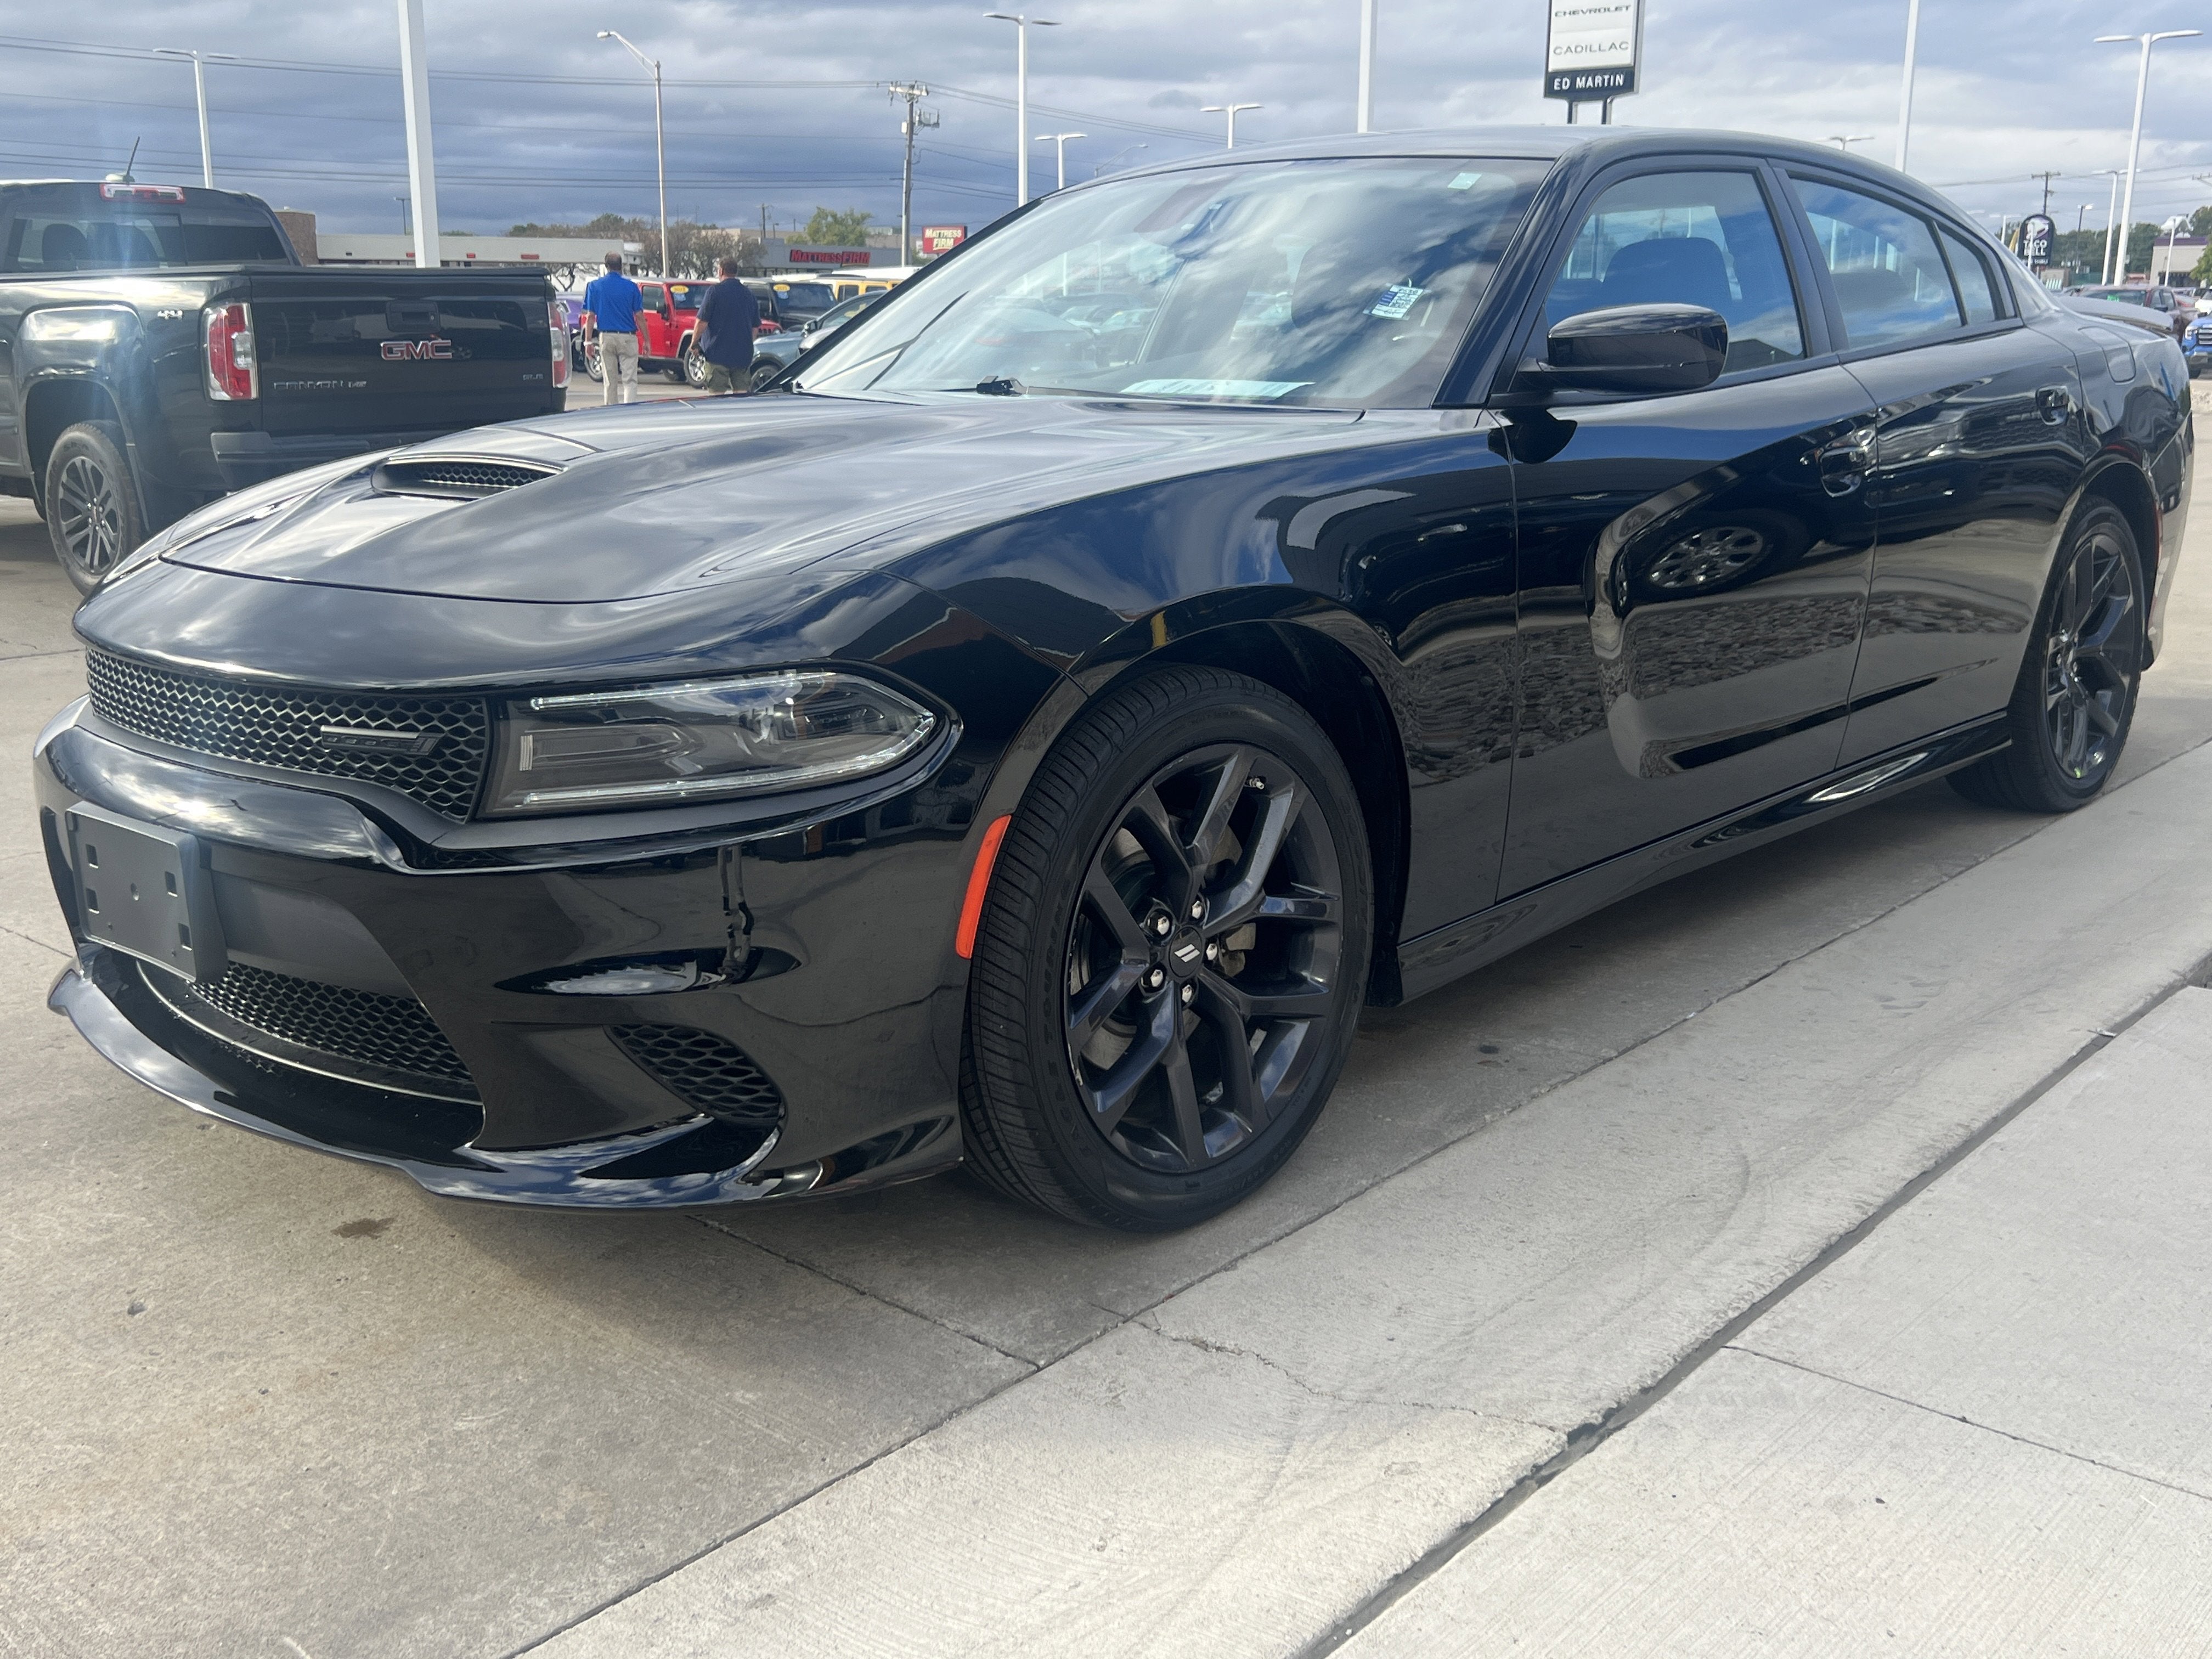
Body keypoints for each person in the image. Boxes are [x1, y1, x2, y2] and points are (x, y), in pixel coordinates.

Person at [690, 255, 760, 394]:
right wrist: (747, 344)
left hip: (717, 355)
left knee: (717, 397)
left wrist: (694, 343)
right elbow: (755, 328)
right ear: (736, 272)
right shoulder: (748, 294)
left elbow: (702, 322)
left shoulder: (714, 292)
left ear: (721, 271)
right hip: (742, 356)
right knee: (742, 396)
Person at [580, 252, 644, 405]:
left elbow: (590, 317)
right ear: (621, 266)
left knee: (610, 381)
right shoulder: (632, 287)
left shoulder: (595, 286)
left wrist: (588, 342)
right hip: (628, 337)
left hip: (606, 336)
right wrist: (647, 340)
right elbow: (640, 316)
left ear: (606, 266)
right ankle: (630, 410)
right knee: (630, 380)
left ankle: (611, 411)